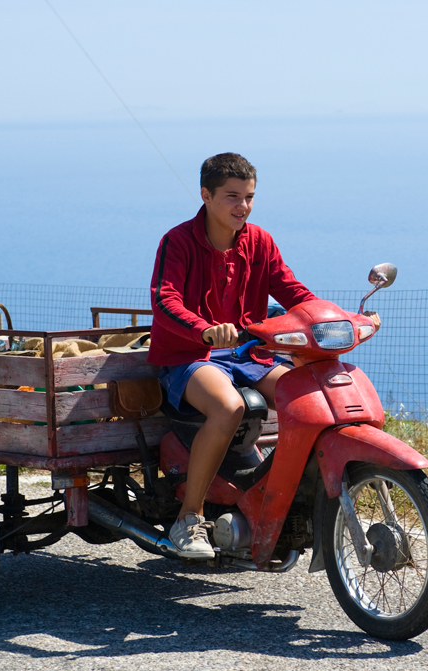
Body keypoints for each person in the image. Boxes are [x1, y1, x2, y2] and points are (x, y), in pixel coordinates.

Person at [147, 152, 322, 558]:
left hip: (247, 354)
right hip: (190, 355)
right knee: (228, 407)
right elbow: (164, 299)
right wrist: (203, 329)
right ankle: (189, 519)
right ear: (206, 195)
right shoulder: (178, 241)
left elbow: (291, 289)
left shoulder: (260, 241)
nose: (242, 206)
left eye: (249, 197)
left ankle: (276, 498)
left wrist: (328, 317)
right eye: (232, 196)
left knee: (308, 400)